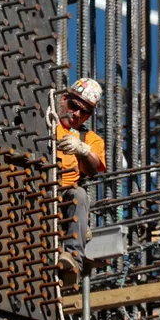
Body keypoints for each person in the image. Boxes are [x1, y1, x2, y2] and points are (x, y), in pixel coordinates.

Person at [55, 78, 106, 285]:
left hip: (64, 199)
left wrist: (82, 150)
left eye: (84, 112)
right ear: (64, 99)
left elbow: (92, 170)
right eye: (74, 107)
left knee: (80, 195)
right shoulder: (45, 123)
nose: (76, 114)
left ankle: (73, 259)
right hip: (37, 188)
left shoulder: (90, 139)